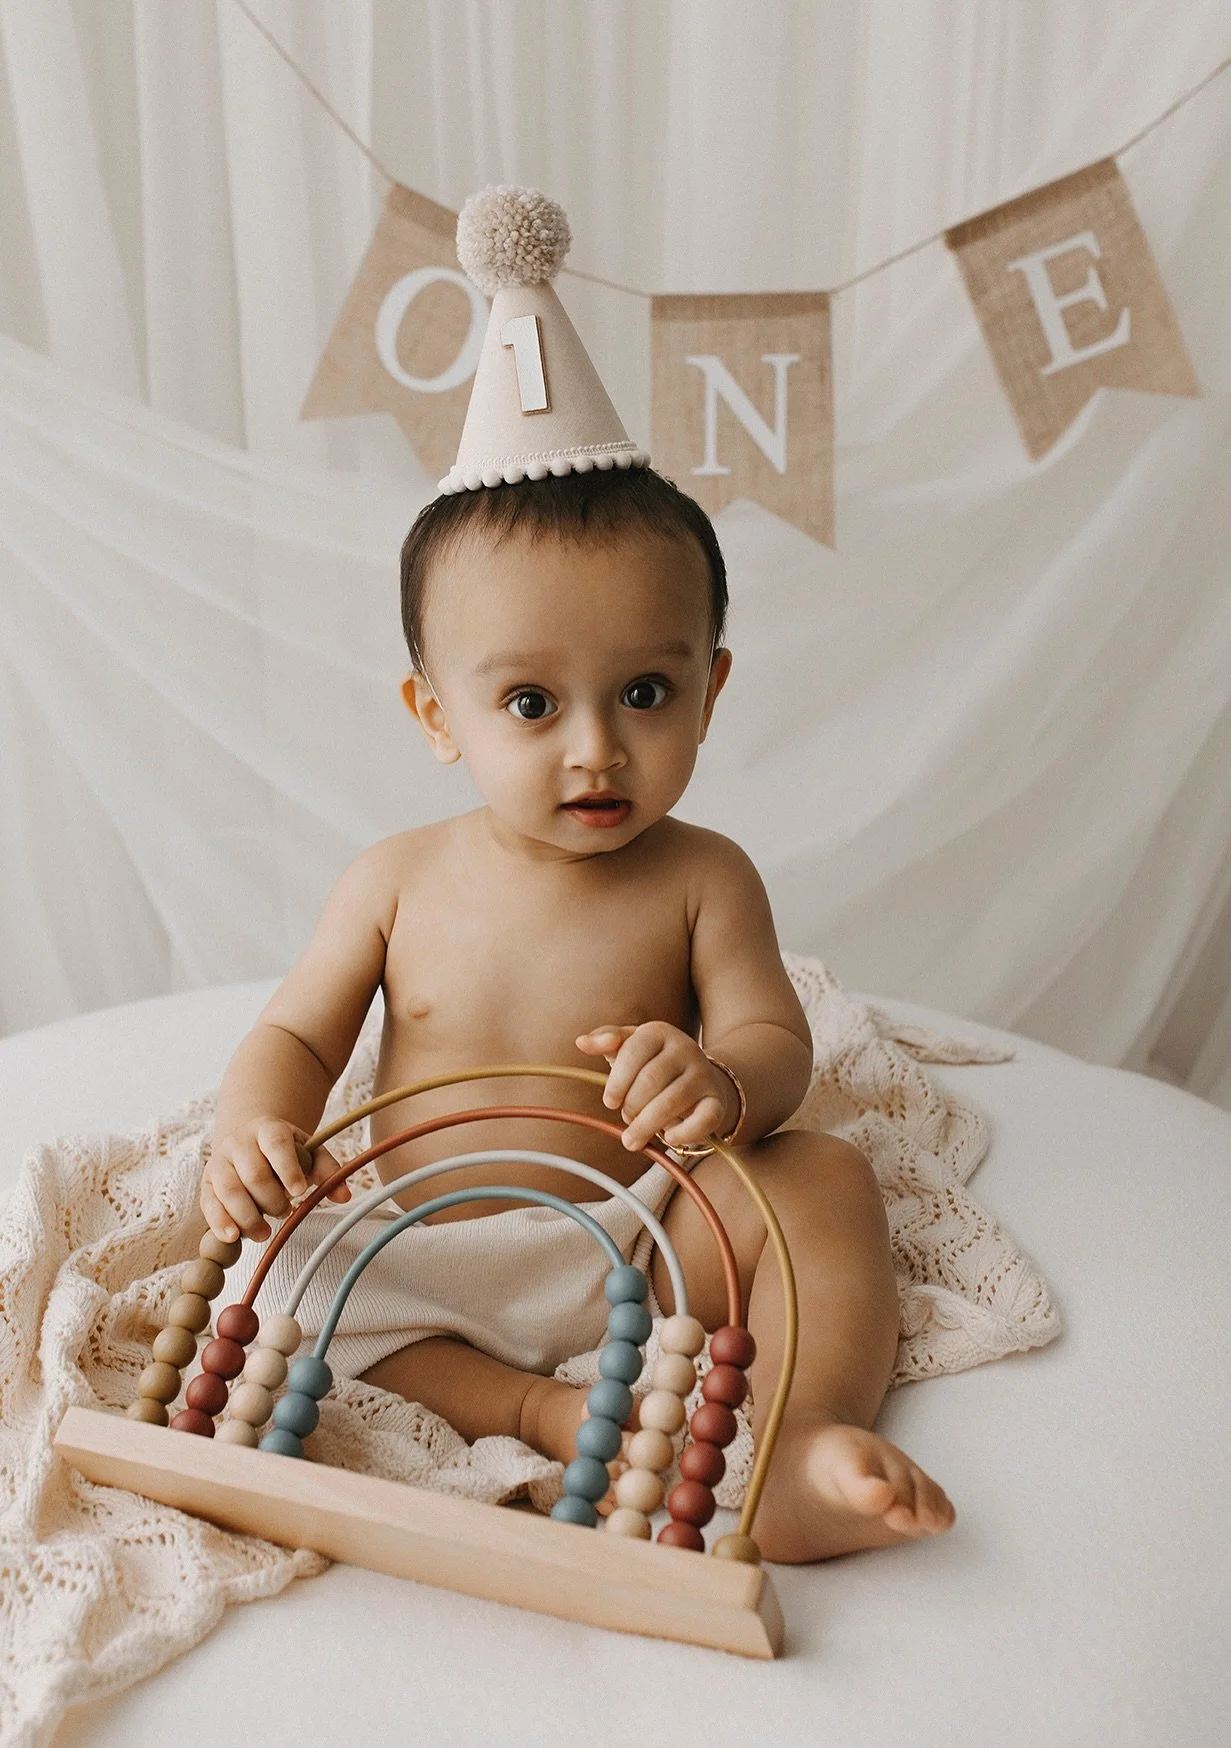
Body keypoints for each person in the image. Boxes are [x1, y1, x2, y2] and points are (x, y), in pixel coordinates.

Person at [200, 190, 954, 1564]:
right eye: (531, 705)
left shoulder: (703, 877)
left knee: (821, 1183)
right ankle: (530, 1410)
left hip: (641, 1229)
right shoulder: (392, 877)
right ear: (437, 717)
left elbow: (770, 1040)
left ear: (711, 689)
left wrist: (723, 1085)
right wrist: (254, 1126)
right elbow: (300, 1031)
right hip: (419, 1244)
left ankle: (791, 1443)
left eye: (646, 691)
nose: (596, 749)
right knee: (278, 1268)